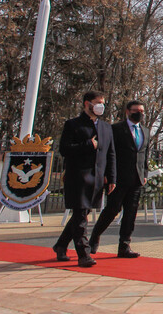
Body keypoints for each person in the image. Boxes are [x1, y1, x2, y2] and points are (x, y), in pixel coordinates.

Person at [53, 90, 116, 268]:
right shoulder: (73, 125)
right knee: (81, 216)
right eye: (97, 102)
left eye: (103, 102)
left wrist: (111, 177)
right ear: (87, 104)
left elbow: (110, 154)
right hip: (78, 177)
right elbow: (64, 149)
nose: (100, 106)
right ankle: (83, 254)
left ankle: (60, 245)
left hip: (97, 178)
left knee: (81, 215)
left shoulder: (106, 128)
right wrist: (88, 145)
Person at [88, 100, 149, 258]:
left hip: (136, 178)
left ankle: (124, 245)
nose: (140, 113)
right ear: (128, 112)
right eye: (136, 110)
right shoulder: (115, 129)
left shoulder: (145, 131)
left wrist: (145, 174)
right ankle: (94, 237)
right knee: (112, 209)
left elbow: (145, 154)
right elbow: (107, 153)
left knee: (131, 213)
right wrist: (108, 174)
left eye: (142, 111)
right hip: (118, 177)